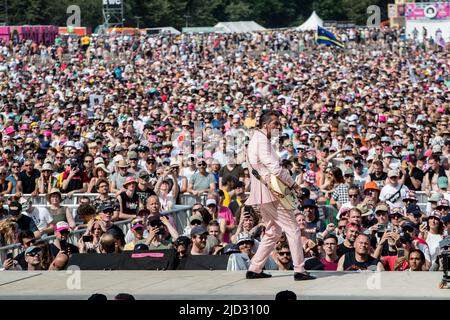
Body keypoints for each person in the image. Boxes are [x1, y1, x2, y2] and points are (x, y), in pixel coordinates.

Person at [245, 110, 314, 281]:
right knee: (293, 228)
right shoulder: (261, 140)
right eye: (275, 123)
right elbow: (275, 168)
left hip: (263, 191)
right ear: (265, 124)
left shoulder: (257, 139)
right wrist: (294, 184)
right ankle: (299, 270)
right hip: (272, 192)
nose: (278, 127)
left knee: (273, 231)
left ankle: (255, 268)